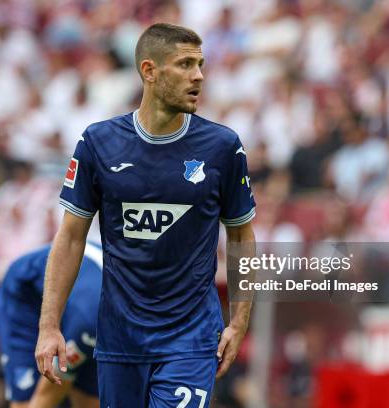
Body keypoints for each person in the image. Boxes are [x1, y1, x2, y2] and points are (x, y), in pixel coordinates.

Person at [36, 23, 256, 408]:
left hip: (190, 339)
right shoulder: (98, 143)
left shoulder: (222, 147)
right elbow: (70, 237)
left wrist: (238, 322)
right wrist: (49, 325)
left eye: (201, 64)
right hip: (120, 339)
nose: (199, 76)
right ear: (150, 71)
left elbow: (241, 236)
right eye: (185, 64)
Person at [0, 242, 102, 408]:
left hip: (82, 305)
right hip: (27, 294)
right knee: (27, 401)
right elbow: (45, 397)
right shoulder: (90, 324)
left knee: (90, 400)